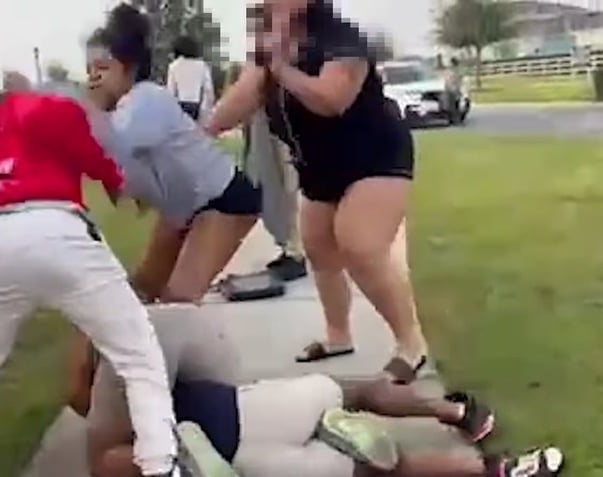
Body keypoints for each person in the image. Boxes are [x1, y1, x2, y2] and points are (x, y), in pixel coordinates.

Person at [0, 92, 180, 477]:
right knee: (137, 353)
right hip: (61, 230)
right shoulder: (55, 107)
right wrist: (117, 183)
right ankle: (161, 466)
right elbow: (91, 154)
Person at [206, 0, 428, 377]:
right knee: (320, 248)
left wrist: (281, 69)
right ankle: (338, 336)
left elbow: (331, 99)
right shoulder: (267, 50)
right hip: (320, 165)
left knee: (360, 244)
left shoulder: (342, 39)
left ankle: (412, 343)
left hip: (375, 156)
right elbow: (245, 95)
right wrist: (202, 131)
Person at [81, 306, 565, 477]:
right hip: (257, 410)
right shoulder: (145, 358)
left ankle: (499, 472)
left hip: (255, 466)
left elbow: (104, 457)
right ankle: (461, 419)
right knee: (347, 392)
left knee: (384, 473)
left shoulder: (116, 421)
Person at [85, 4, 261, 304]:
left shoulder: (146, 100)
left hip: (225, 200)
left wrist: (90, 108)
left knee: (178, 300)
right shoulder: (118, 112)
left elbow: (112, 143)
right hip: (182, 209)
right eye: (89, 70)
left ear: (128, 68)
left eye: (103, 69)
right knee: (139, 291)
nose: (94, 79)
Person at [241, 110, 307, 281]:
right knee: (270, 178)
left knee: (287, 179)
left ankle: (296, 251)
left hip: (283, 113)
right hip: (266, 111)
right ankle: (289, 246)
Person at [166, 35, 215, 124]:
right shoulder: (202, 66)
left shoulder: (173, 66)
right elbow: (208, 92)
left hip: (180, 105)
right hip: (197, 105)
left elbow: (171, 92)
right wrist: (205, 112)